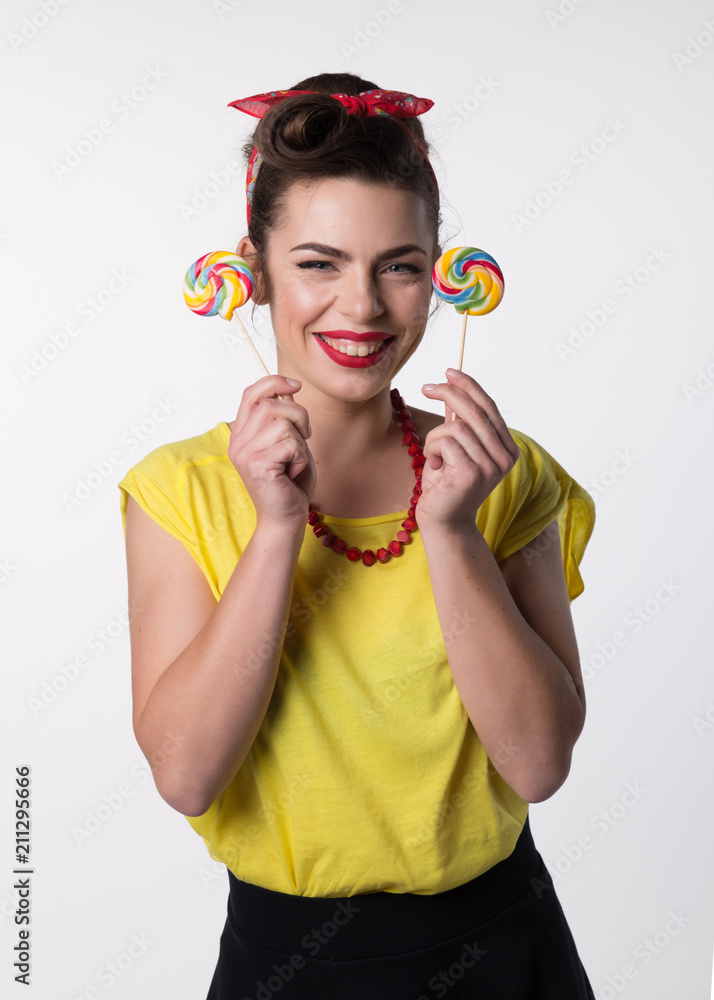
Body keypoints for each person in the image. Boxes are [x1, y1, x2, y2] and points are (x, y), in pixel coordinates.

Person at [118, 72, 596, 999]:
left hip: (506, 948)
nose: (364, 307)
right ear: (253, 270)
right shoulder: (178, 490)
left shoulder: (505, 474)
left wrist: (452, 533)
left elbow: (539, 765)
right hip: (286, 961)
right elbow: (185, 775)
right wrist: (275, 531)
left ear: (441, 274)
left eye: (399, 266)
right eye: (318, 263)